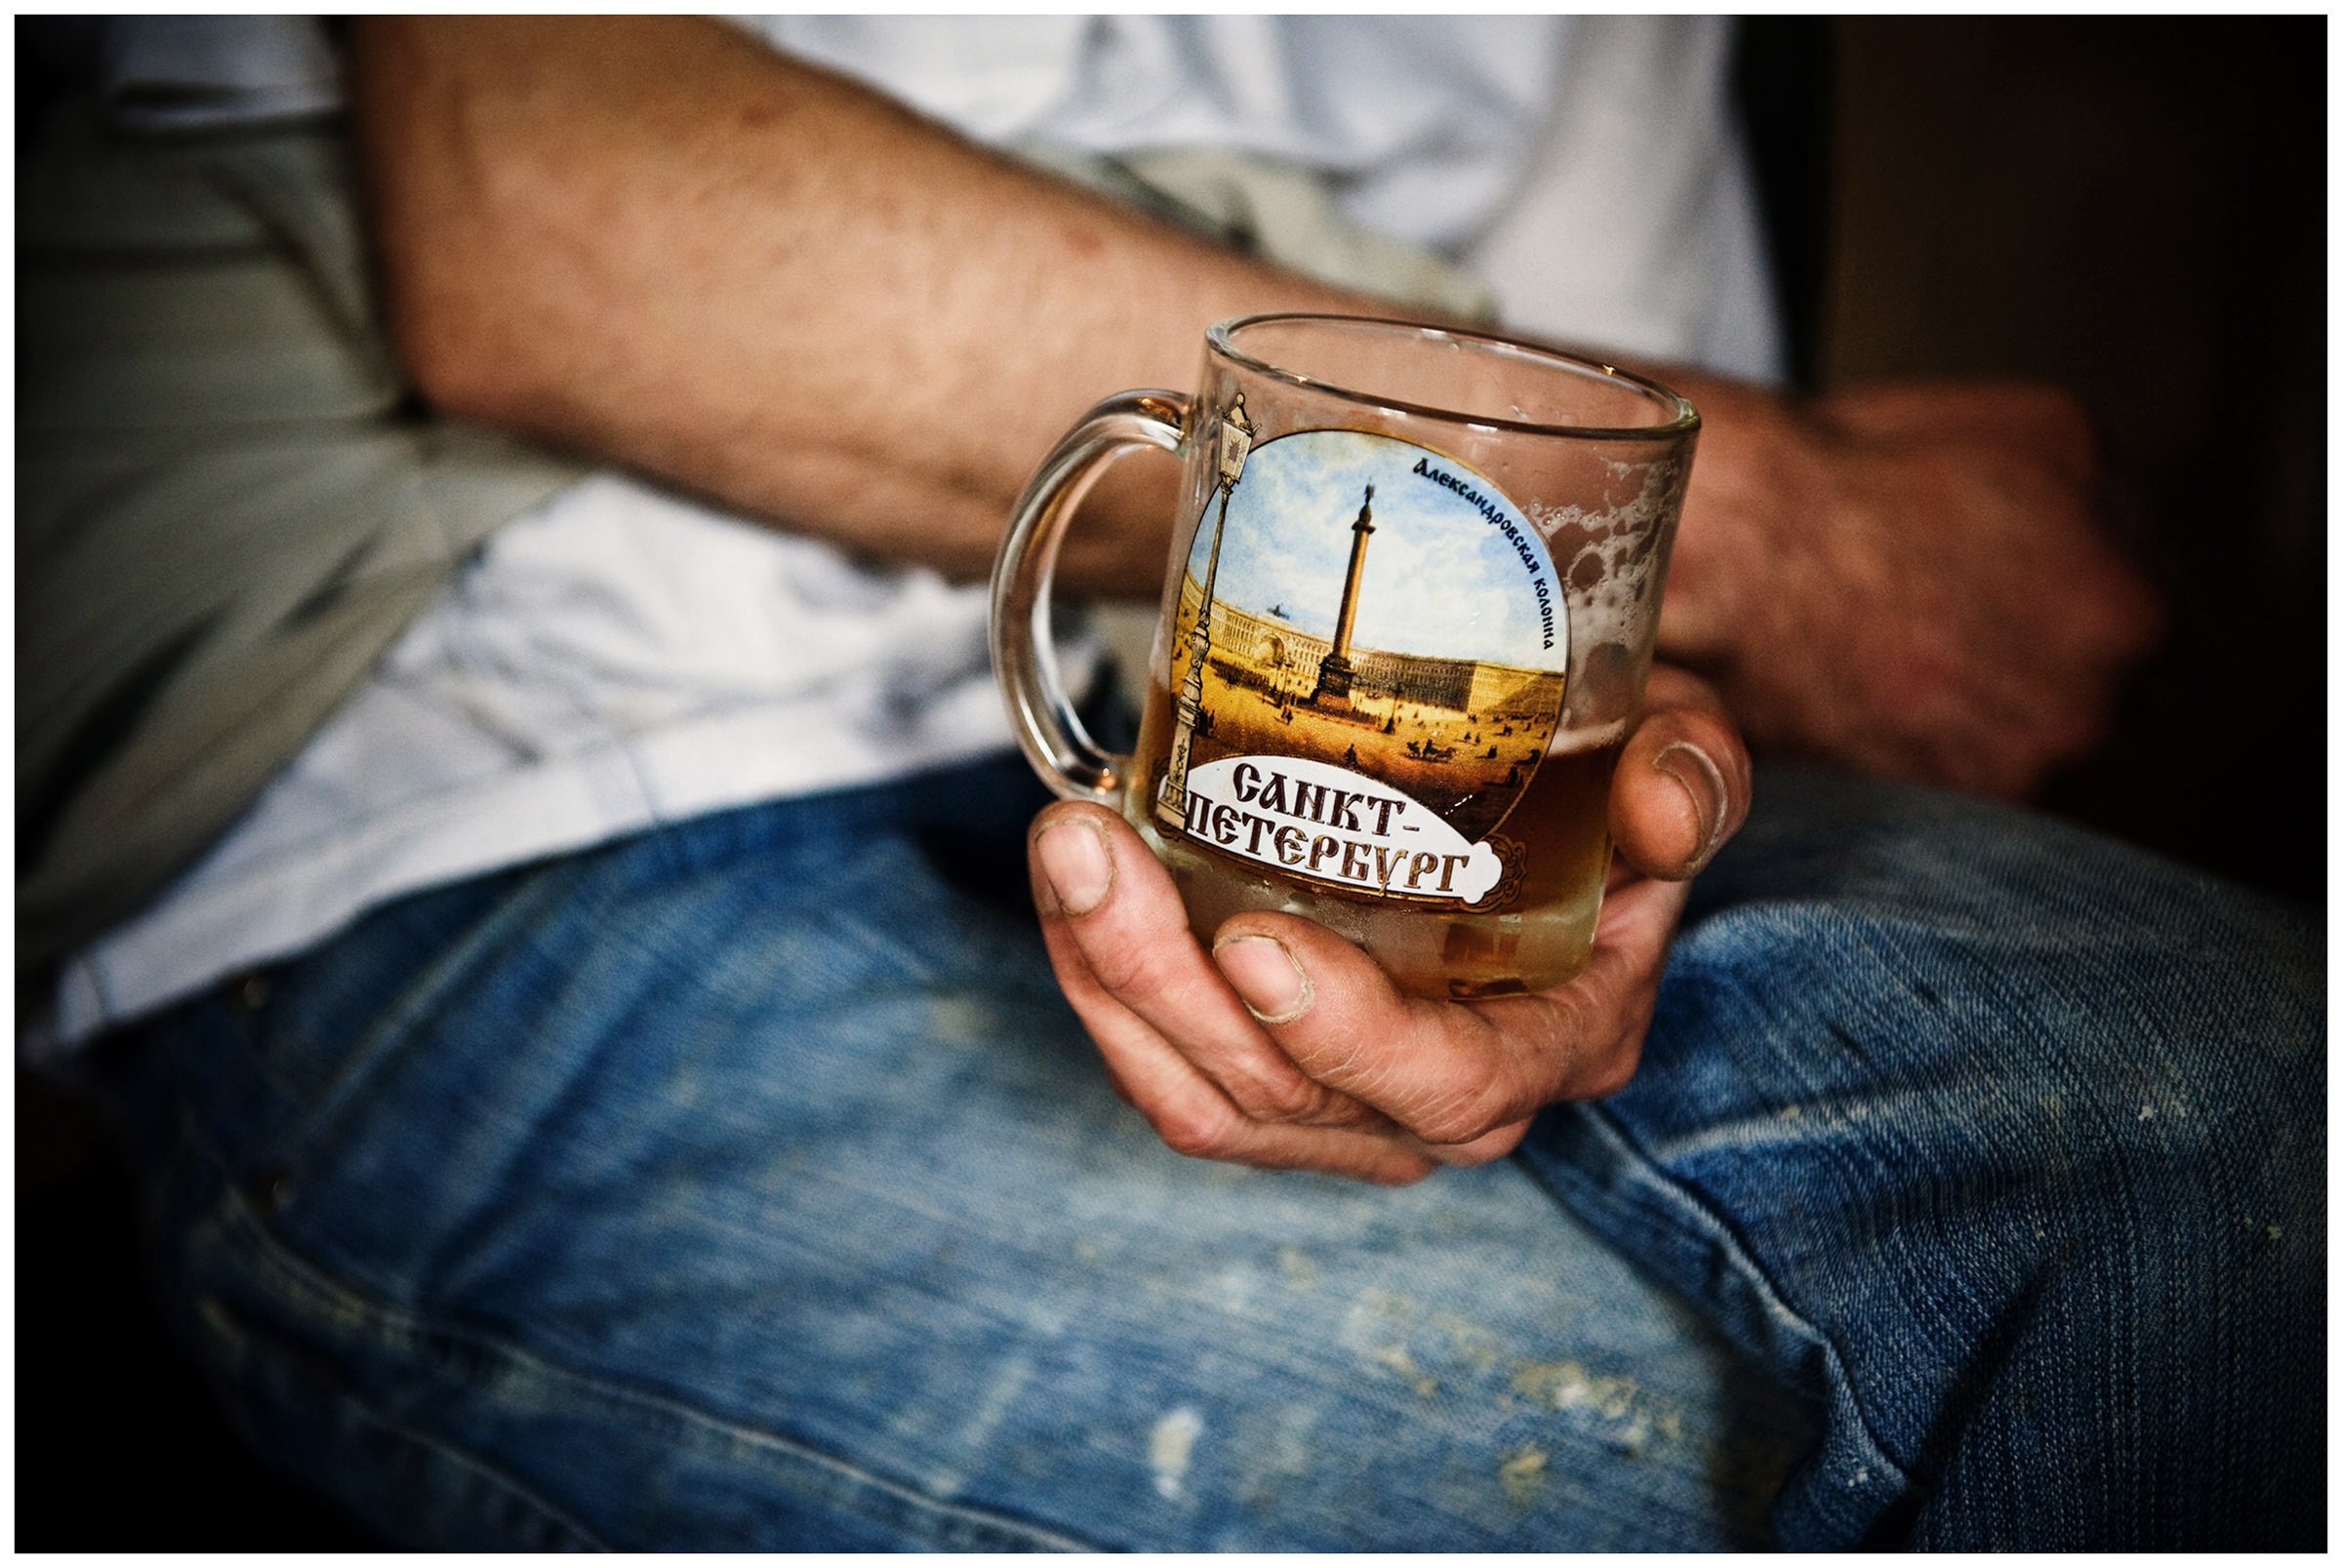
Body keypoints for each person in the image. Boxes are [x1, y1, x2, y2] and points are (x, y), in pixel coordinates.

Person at [20, 17, 2317, 1550]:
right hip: (488, 776)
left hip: (1289, 756)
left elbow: (1612, 546)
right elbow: (549, 212)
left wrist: (1673, 759)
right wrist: (1808, 536)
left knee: (2260, 1117)